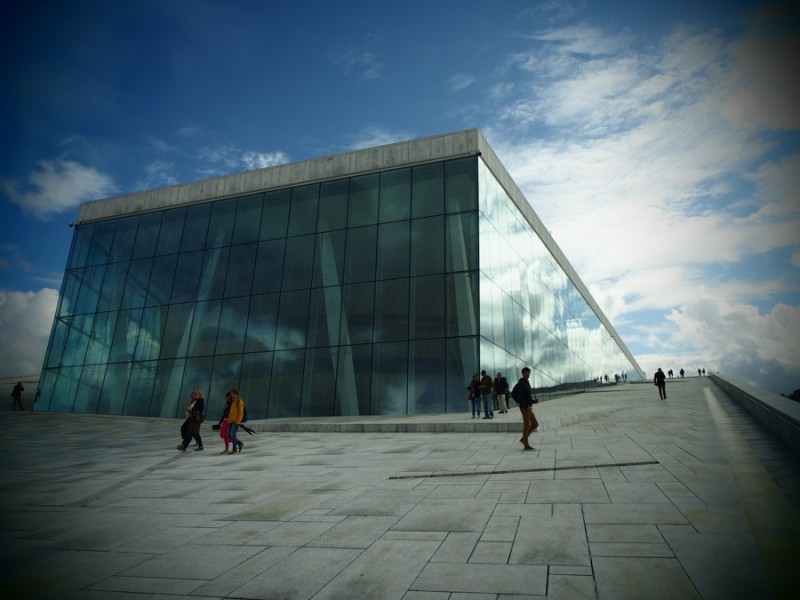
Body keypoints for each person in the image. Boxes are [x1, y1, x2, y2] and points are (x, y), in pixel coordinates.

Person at [511, 367, 538, 450]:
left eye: (528, 373)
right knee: (526, 425)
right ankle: (526, 444)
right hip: (525, 408)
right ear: (522, 374)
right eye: (526, 373)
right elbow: (520, 397)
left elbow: (527, 397)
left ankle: (523, 439)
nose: (527, 375)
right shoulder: (521, 383)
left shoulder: (526, 382)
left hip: (529, 407)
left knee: (535, 424)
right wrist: (526, 406)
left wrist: (533, 401)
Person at [227, 388, 245, 454]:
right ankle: (239, 443)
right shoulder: (233, 401)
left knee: (232, 435)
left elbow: (241, 412)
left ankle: (234, 449)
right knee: (229, 435)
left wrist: (239, 420)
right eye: (231, 395)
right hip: (231, 421)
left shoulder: (239, 401)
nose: (231, 396)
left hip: (236, 421)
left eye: (232, 394)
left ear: (235, 394)